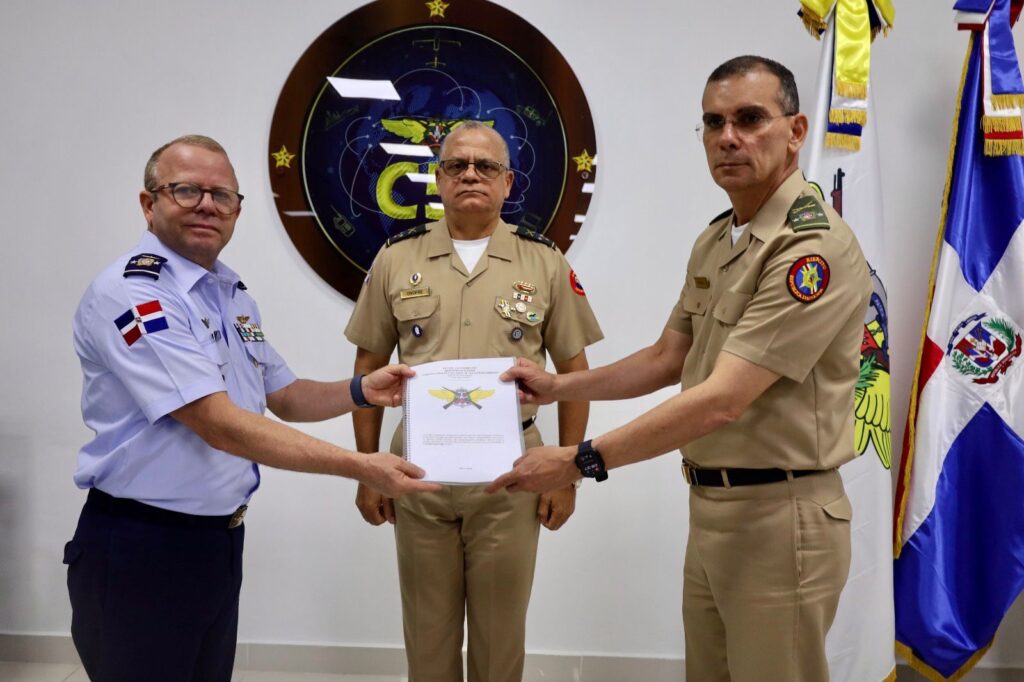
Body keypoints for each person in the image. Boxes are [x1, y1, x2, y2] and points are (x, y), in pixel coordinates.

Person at [487, 56, 873, 681]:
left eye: (750, 119)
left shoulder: (810, 247)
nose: (728, 138)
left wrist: (579, 460)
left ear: (795, 131)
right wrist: (559, 385)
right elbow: (669, 357)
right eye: (714, 123)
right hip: (714, 508)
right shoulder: (719, 239)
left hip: (782, 517)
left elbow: (723, 399)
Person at [65, 134, 439, 682]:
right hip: (142, 546)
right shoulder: (136, 294)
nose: (206, 206)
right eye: (186, 190)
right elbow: (218, 424)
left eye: (221, 195)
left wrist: (363, 389)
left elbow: (283, 395)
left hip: (217, 543)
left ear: (237, 211)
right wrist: (360, 465)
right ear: (149, 203)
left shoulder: (229, 292)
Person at [344, 121, 603, 682]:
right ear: (437, 178)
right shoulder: (396, 258)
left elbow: (574, 373)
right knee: (427, 634)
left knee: (500, 635)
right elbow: (367, 368)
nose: (470, 175)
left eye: (486, 166)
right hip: (418, 469)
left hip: (512, 471)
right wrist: (367, 468)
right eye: (456, 165)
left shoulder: (544, 261)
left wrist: (568, 472)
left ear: (507, 182)